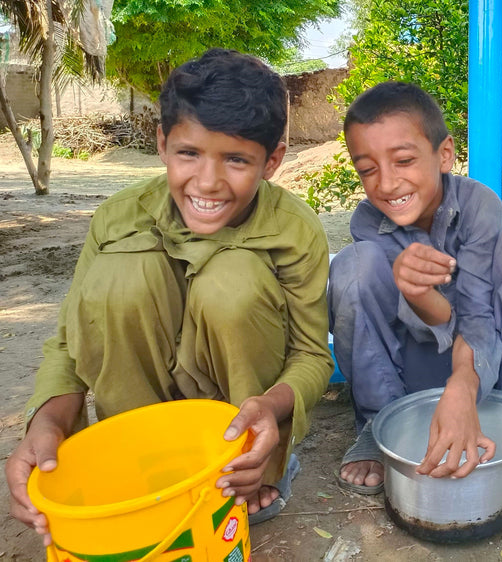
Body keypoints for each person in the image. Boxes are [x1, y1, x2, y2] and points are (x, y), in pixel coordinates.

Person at [5, 49, 334, 546]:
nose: (207, 182)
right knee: (120, 275)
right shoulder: (118, 218)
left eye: (237, 160)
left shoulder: (295, 231)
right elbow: (71, 342)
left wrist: (269, 408)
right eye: (189, 153)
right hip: (140, 431)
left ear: (273, 161)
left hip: (235, 436)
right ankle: (139, 471)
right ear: (161, 143)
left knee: (233, 280)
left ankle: (254, 467)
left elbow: (312, 355)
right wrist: (47, 419)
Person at [328, 81, 502, 495]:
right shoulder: (368, 222)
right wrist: (414, 292)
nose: (386, 183)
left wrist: (463, 384)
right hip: (410, 371)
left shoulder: (479, 204)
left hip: (483, 360)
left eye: (403, 160)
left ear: (444, 155)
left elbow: (475, 315)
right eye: (367, 169)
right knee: (352, 265)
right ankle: (378, 422)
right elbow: (432, 322)